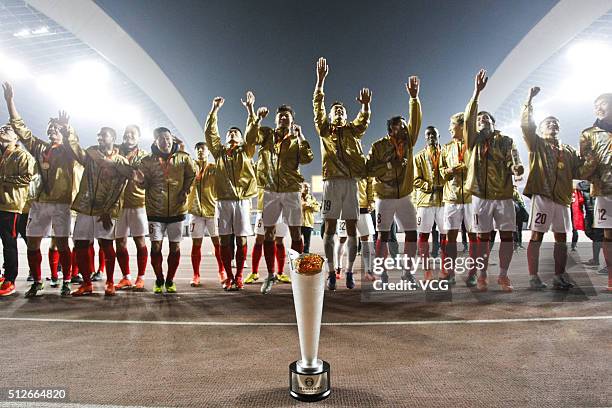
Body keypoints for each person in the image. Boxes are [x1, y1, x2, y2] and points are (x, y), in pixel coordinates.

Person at [3, 83, 76, 297]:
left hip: (61, 203)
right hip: (39, 203)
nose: (53, 131)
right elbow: (20, 128)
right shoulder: (39, 147)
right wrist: (9, 101)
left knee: (62, 244)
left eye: (57, 129)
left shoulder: (68, 150)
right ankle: (37, 281)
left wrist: (68, 128)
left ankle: (67, 281)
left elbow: (76, 145)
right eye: (51, 129)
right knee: (33, 243)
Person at [244, 94, 314, 293]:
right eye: (280, 116)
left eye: (287, 116)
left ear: (292, 120)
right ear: (275, 119)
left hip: (291, 190)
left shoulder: (295, 140)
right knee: (268, 233)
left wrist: (301, 137)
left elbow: (308, 158)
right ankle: (271, 274)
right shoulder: (266, 134)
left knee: (295, 233)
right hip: (270, 190)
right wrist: (254, 115)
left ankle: (298, 274)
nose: (283, 118)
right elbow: (250, 138)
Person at [463, 69, 524, 292]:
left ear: (493, 122)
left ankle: (504, 275)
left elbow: (514, 159)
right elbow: (468, 117)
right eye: (479, 119)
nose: (482, 120)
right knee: (482, 238)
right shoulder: (472, 141)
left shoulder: (506, 140)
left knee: (507, 236)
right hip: (480, 195)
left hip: (504, 195)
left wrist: (516, 168)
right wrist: (476, 93)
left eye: (486, 118)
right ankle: (482, 274)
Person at [313, 57, 371, 290]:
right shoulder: (324, 130)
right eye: (335, 110)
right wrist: (320, 81)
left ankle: (348, 271)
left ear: (346, 116)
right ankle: (330, 271)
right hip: (330, 183)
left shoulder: (352, 131)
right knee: (328, 227)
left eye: (342, 110)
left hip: (350, 183)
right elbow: (318, 108)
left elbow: (364, 121)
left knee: (350, 227)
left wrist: (365, 106)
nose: (338, 112)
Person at [366, 75, 421, 283]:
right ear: (391, 129)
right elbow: (369, 169)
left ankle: (408, 272)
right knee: (383, 236)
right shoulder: (379, 146)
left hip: (405, 196)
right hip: (385, 197)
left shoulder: (408, 144)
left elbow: (416, 124)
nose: (404, 128)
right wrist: (389, 165)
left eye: (405, 125)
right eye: (400, 126)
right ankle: (382, 272)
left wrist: (414, 99)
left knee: (412, 234)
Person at [64, 124, 129, 296]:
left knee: (106, 245)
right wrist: (68, 131)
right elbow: (76, 151)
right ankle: (86, 283)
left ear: (113, 138)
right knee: (80, 245)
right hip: (85, 206)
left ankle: (109, 283)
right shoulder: (91, 154)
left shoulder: (121, 161)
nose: (100, 138)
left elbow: (120, 188)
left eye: (104, 135)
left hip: (105, 210)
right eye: (98, 135)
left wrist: (108, 209)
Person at [205, 95, 257, 290]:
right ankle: (228, 276)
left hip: (242, 201)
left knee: (241, 238)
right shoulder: (219, 152)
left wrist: (250, 110)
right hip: (223, 201)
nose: (232, 133)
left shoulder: (247, 151)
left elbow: (253, 134)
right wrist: (214, 109)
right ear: (225, 138)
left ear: (242, 138)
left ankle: (239, 275)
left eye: (236, 132)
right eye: (230, 132)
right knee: (225, 239)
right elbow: (210, 134)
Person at [136, 128, 196, 294]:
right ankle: (159, 278)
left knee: (175, 248)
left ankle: (170, 280)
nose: (165, 141)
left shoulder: (184, 158)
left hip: (177, 210)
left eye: (168, 138)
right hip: (155, 210)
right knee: (156, 247)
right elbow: (143, 184)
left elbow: (192, 175)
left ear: (172, 139)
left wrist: (185, 190)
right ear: (155, 142)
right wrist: (140, 181)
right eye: (161, 139)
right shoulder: (147, 161)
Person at [579, 92, 612, 291]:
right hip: (604, 191)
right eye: (596, 105)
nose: (599, 108)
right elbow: (585, 165)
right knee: (608, 235)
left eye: (604, 103)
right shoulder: (588, 134)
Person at [440, 112, 477, 286]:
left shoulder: (473, 145)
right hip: (452, 197)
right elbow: (441, 170)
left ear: (462, 126)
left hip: (471, 197)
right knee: (450, 237)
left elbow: (474, 166)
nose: (449, 128)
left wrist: (458, 167)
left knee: (474, 236)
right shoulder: (446, 148)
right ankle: (450, 273)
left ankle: (473, 273)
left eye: (452, 124)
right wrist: (446, 172)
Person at [0, 120, 35, 296]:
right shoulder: (1, 154)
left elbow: (28, 178)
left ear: (16, 136)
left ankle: (10, 279)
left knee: (9, 242)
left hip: (11, 205)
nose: (3, 131)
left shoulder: (22, 156)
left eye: (8, 129)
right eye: (2, 128)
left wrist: (4, 179)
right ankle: (2, 274)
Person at [114, 125, 149, 291]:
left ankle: (140, 277)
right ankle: (126, 277)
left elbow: (146, 179)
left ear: (138, 137)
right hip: (117, 203)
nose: (129, 136)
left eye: (133, 133)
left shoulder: (144, 156)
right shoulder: (114, 152)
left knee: (139, 240)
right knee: (119, 242)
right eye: (126, 133)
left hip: (137, 203)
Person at [188, 142, 225, 287]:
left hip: (212, 210)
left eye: (203, 149)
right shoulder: (191, 167)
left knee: (218, 243)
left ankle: (222, 271)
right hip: (196, 211)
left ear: (208, 152)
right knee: (196, 243)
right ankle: (196, 274)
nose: (200, 151)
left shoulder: (214, 168)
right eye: (197, 149)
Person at [414, 126, 447, 281]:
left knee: (445, 235)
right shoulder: (418, 156)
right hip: (425, 202)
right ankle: (427, 270)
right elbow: (415, 180)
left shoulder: (446, 153)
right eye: (428, 134)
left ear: (439, 135)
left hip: (444, 201)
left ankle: (444, 268)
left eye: (434, 133)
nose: (431, 136)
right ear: (425, 137)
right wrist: (430, 186)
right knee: (424, 236)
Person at [245, 187, 290, 291]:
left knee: (279, 240)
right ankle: (254, 272)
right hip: (265, 206)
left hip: (283, 206)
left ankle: (280, 273)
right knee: (259, 239)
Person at [300, 182, 320, 254]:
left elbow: (317, 208)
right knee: (297, 241)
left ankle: (305, 257)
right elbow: (299, 206)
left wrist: (310, 206)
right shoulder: (298, 197)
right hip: (298, 223)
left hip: (308, 223)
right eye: (305, 187)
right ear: (301, 188)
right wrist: (306, 205)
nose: (307, 189)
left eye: (309, 188)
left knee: (307, 242)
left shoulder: (312, 198)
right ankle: (295, 257)